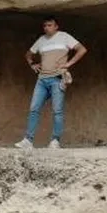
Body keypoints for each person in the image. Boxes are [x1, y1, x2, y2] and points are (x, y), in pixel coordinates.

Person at [15, 17, 87, 149]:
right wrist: (32, 64)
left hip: (57, 78)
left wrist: (68, 64)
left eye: (50, 25)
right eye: (45, 26)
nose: (47, 28)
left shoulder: (64, 36)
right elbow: (28, 54)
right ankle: (28, 140)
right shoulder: (41, 40)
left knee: (57, 111)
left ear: (56, 26)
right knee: (34, 109)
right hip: (42, 79)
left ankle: (55, 141)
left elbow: (82, 49)